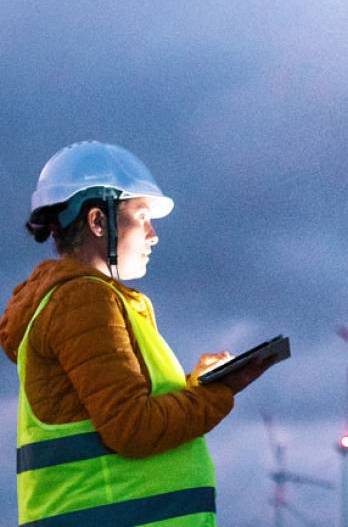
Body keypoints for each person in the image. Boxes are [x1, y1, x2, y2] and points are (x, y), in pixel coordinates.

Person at [0, 141, 272, 526]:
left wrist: (195, 385)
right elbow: (132, 428)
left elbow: (121, 413)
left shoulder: (91, 300)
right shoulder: (83, 300)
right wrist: (216, 392)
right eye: (141, 216)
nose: (152, 233)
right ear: (98, 222)